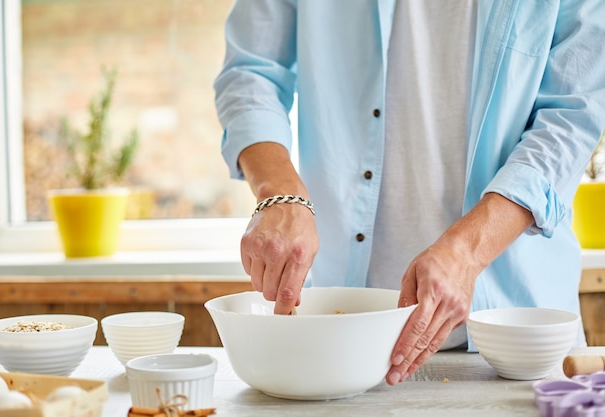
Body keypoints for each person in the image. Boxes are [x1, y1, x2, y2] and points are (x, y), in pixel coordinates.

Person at [214, 0, 605, 385]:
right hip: (340, 344)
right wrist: (280, 192)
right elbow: (251, 71)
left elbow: (573, 114)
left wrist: (468, 250)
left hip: (520, 340)